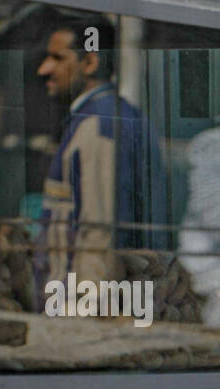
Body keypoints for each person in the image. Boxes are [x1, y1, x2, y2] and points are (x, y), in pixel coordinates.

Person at [33, 13, 166, 291]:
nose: (44, 69)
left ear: (90, 62)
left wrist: (87, 314)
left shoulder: (99, 125)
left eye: (58, 58)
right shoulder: (116, 117)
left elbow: (99, 236)